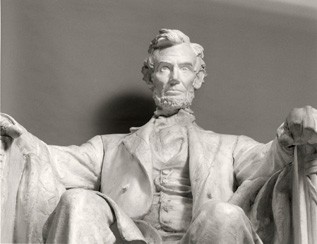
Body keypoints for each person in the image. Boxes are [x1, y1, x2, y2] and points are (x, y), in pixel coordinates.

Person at [1, 29, 317, 244]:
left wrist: (291, 133)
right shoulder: (107, 148)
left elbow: (271, 160)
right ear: (149, 76)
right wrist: (12, 131)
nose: (176, 78)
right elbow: (47, 160)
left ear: (199, 77)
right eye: (165, 68)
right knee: (78, 200)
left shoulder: (229, 147)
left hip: (203, 237)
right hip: (129, 237)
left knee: (223, 214)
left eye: (185, 68)